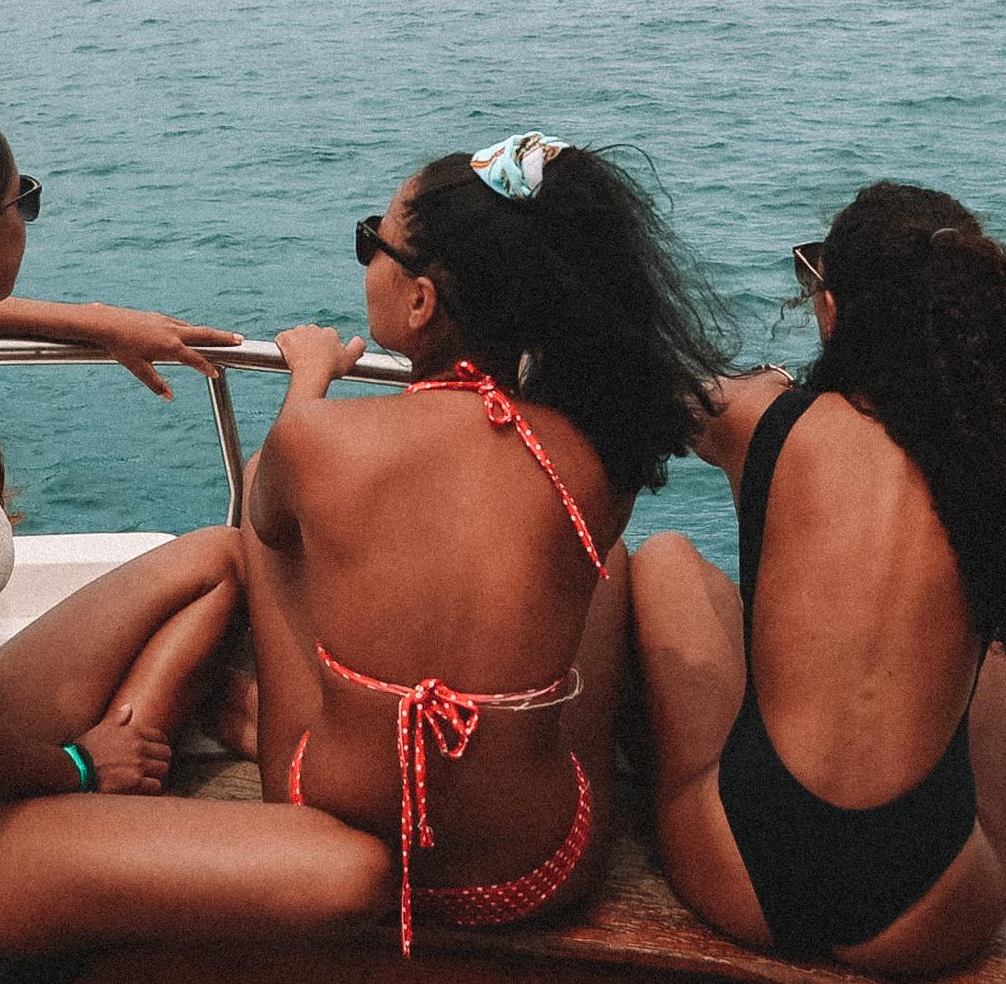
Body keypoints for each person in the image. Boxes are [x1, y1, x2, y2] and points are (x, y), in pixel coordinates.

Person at [0, 98, 390, 959]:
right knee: (351, 872)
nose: (27, 216)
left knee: (211, 560)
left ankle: (132, 750)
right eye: (25, 201)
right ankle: (116, 777)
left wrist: (96, 321)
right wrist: (81, 766)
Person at [242, 132, 726, 954]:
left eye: (374, 242)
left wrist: (307, 381)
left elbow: (270, 523)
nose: (368, 259)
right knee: (599, 565)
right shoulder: (588, 461)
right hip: (535, 875)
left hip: (325, 824)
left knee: (267, 504)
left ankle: (277, 720)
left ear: (423, 301)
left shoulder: (318, 441)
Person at [631, 181, 1006, 974]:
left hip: (744, 875)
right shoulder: (993, 460)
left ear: (832, 311)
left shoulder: (764, 421)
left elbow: (662, 388)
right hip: (930, 915)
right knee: (999, 661)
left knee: (667, 559)